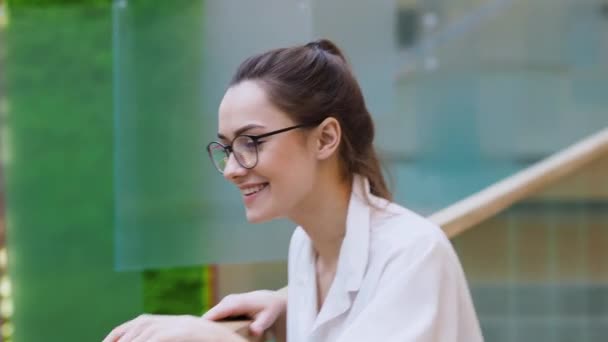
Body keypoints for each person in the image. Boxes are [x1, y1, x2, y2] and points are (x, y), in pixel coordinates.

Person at [103, 39, 484, 342]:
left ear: (326, 138)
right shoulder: (305, 248)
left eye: (252, 141)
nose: (233, 169)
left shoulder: (414, 253)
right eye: (227, 148)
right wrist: (285, 304)